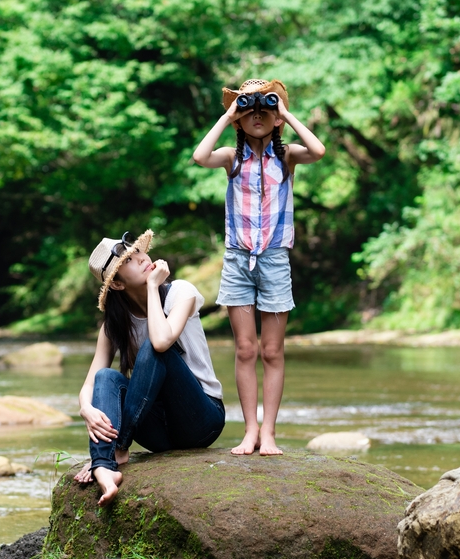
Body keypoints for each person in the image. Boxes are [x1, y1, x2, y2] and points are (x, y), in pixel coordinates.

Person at [192, 79, 325, 456]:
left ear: (276, 116)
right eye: (248, 109)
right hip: (237, 260)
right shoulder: (232, 159)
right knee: (246, 349)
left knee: (272, 351)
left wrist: (284, 113)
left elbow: (318, 149)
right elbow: (200, 156)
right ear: (237, 118)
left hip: (274, 260)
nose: (257, 115)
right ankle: (249, 431)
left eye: (264, 108)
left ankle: (269, 433)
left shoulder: (287, 157)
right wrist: (229, 114)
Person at [75, 229, 225, 505]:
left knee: (155, 349)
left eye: (139, 252)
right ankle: (104, 465)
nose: (143, 258)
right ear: (118, 284)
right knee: (107, 377)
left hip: (201, 419)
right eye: (130, 260)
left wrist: (153, 287)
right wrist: (86, 408)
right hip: (157, 431)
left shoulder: (181, 292)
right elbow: (90, 383)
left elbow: (161, 341)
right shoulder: (114, 326)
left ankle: (114, 452)